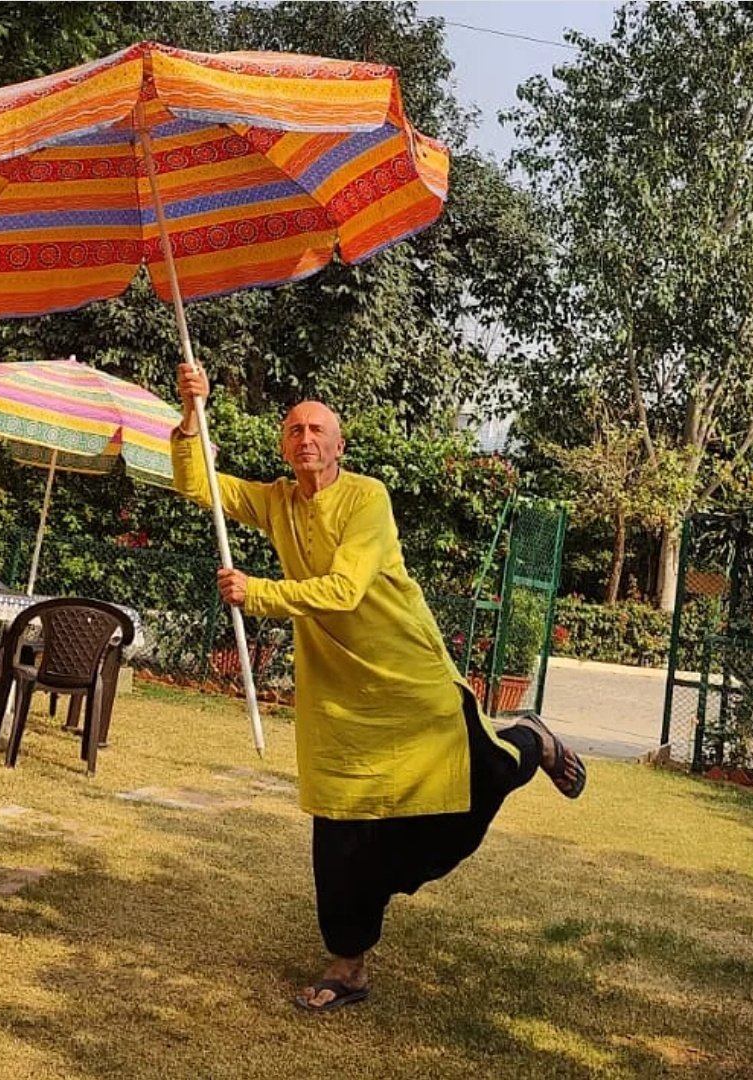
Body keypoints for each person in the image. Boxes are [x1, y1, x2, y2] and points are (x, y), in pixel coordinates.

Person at [172, 363, 586, 1013]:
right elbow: (199, 484)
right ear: (284, 446)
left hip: (409, 679)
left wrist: (258, 593)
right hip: (338, 694)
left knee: (476, 784)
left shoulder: (367, 499)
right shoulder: (276, 501)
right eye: (294, 430)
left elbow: (345, 589)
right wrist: (190, 413)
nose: (305, 438)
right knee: (340, 827)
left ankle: (531, 742)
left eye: (317, 430)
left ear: (339, 446)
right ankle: (349, 963)